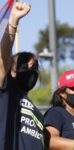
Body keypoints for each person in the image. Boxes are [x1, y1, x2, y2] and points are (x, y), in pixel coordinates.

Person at [0, 2, 44, 150]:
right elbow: (2, 58)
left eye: (35, 67)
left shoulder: (37, 112)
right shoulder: (7, 89)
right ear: (11, 70)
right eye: (24, 66)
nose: (31, 71)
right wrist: (13, 23)